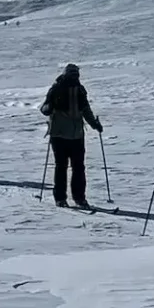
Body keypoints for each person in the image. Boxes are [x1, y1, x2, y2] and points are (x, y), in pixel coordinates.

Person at [40, 63, 102, 209]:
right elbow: (45, 108)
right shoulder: (60, 89)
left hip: (67, 135)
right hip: (67, 135)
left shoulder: (75, 89)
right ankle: (72, 198)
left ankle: (68, 198)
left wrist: (94, 124)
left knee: (68, 167)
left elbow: (85, 109)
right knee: (72, 167)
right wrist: (94, 124)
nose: (75, 77)